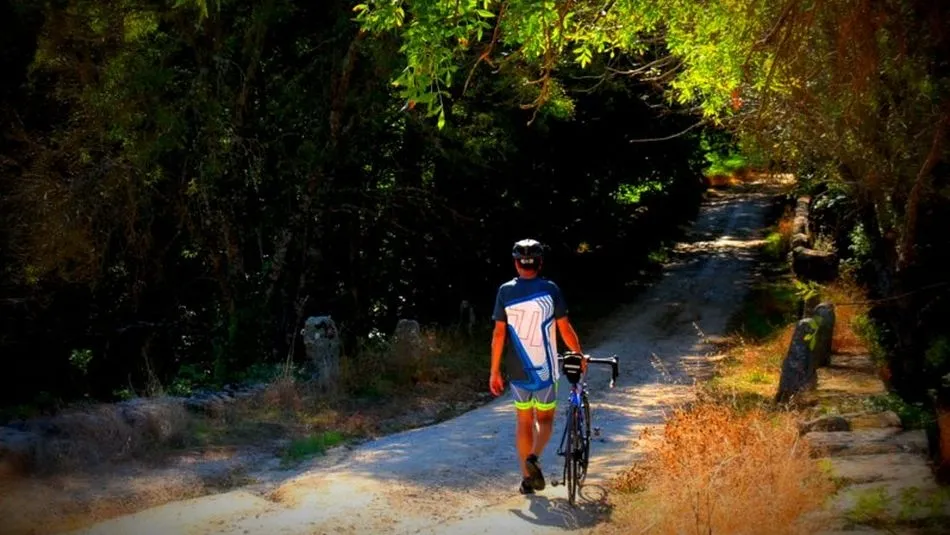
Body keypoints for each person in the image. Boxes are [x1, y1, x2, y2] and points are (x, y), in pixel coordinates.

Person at [489, 238, 585, 495]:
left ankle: (526, 479)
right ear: (540, 263)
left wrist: (494, 371)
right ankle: (533, 457)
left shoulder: (504, 291)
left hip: (518, 369)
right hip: (546, 368)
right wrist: (578, 355)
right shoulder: (550, 289)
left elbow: (499, 334)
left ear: (516, 264)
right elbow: (564, 328)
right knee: (544, 419)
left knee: (523, 421)